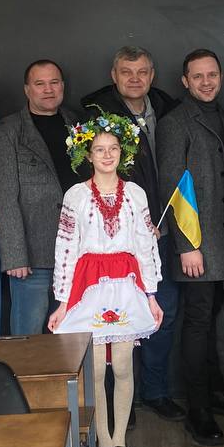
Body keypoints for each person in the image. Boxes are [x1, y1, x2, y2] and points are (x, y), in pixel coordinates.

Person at [49, 113, 163, 447]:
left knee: (124, 364)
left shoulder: (136, 194)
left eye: (113, 148)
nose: (107, 155)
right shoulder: (76, 195)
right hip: (90, 285)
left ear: (123, 152)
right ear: (88, 154)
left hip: (127, 283)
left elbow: (145, 244)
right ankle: (102, 441)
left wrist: (151, 294)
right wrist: (63, 300)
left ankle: (120, 440)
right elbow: (66, 247)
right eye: (99, 149)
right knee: (96, 369)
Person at [82, 46, 181, 419]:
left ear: (152, 75)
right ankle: (119, 401)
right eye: (127, 72)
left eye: (142, 72)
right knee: (114, 320)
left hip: (162, 232)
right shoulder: (96, 115)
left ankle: (154, 392)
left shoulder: (168, 109)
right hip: (117, 242)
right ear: (114, 75)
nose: (135, 79)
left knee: (160, 315)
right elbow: (91, 178)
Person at [157, 49, 224, 446]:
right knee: (196, 323)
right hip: (198, 245)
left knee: (211, 321)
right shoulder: (175, 123)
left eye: (212, 75)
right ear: (185, 81)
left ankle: (215, 391)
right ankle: (198, 411)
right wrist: (186, 246)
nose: (206, 82)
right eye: (198, 76)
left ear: (220, 77)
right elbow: (172, 188)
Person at [0, 59, 82, 335]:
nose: (48, 89)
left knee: (73, 335)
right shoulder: (6, 131)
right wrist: (15, 256)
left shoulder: (78, 124)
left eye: (54, 82)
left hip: (79, 252)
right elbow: (4, 197)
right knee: (28, 339)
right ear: (27, 90)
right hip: (32, 257)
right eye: (40, 84)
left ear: (63, 86)